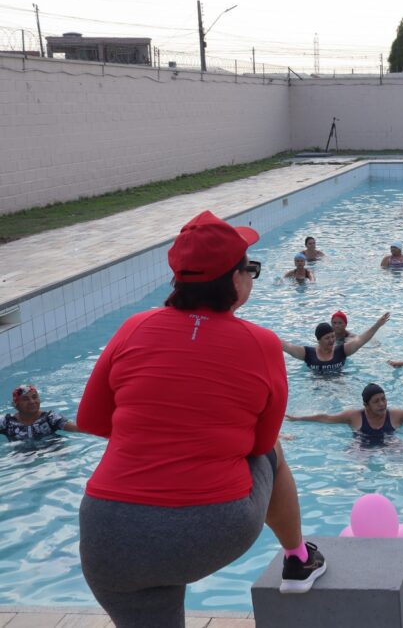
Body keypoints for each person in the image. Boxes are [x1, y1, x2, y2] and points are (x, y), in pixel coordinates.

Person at [76, 211, 327, 628]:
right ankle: (298, 560)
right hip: (210, 527)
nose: (252, 275)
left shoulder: (132, 328)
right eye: (250, 268)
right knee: (274, 452)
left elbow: (93, 420)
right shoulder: (261, 344)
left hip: (109, 536)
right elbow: (260, 443)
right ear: (233, 280)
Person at [286, 383, 403, 440]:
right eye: (376, 401)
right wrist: (297, 418)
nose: (382, 404)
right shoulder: (354, 416)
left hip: (390, 442)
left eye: (383, 399)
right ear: (366, 405)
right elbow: (325, 418)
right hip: (362, 445)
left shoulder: (395, 415)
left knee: (402, 460)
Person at [281, 312, 391, 372]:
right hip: (315, 386)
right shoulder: (307, 353)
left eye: (332, 337)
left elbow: (361, 340)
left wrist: (377, 325)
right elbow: (287, 346)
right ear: (319, 340)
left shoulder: (342, 350)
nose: (332, 340)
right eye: (327, 338)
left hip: (339, 384)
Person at [3, 384, 78, 441]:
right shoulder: (7, 422)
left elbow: (77, 428)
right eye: (25, 399)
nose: (32, 402)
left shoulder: (50, 418)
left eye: (34, 397)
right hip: (22, 455)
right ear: (16, 405)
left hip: (52, 450)